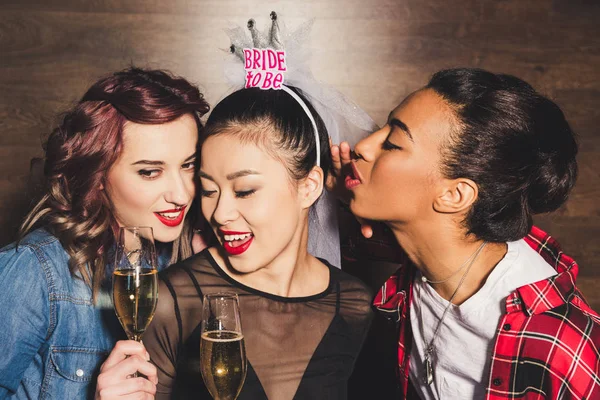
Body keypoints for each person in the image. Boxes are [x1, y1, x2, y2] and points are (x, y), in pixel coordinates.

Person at [332, 68, 600, 399]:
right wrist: (344, 197)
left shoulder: (562, 344)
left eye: (392, 143)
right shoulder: (430, 251)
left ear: (454, 195)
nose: (363, 147)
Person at [97, 85, 375, 400]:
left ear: (309, 187)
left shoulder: (355, 305)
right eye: (209, 190)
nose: (220, 213)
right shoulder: (172, 301)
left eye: (244, 190)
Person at [0, 67, 210, 399]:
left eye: (189, 165)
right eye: (150, 171)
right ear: (98, 175)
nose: (182, 194)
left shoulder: (182, 263)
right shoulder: (35, 272)